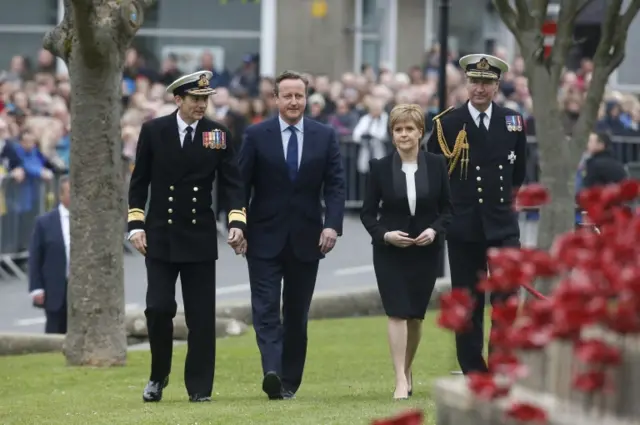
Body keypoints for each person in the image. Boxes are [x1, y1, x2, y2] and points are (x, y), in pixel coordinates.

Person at [127, 70, 247, 403]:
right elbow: (139, 184)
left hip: (198, 235)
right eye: (195, 99)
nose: (201, 105)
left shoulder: (217, 134)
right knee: (158, 308)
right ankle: (157, 375)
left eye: (205, 99)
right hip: (161, 235)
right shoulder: (154, 131)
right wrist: (135, 226)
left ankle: (199, 387)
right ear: (178, 99)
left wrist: (237, 220)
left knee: (201, 316)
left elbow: (233, 183)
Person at [238, 70, 345, 400]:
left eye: (299, 95)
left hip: (307, 238)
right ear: (275, 99)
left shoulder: (324, 136)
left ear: (307, 98)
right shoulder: (256, 135)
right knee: (266, 309)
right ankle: (272, 370)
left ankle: (290, 379)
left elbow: (337, 184)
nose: (294, 101)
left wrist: (332, 225)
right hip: (263, 237)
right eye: (288, 95)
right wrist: (237, 225)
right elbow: (239, 185)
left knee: (296, 314)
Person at [427, 54, 527, 375]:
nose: (479, 88)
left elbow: (519, 173)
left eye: (486, 82)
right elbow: (434, 176)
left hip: (502, 225)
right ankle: (473, 368)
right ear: (466, 83)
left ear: (497, 86)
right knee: (468, 302)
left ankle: (501, 364)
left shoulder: (512, 121)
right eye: (474, 81)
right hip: (464, 227)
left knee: (505, 299)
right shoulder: (447, 123)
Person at [360, 104, 452, 400]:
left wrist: (434, 230)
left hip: (425, 251)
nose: (404, 135)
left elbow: (448, 210)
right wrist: (385, 235)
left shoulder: (437, 164)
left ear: (420, 132)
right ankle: (400, 378)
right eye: (398, 129)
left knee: (415, 316)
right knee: (397, 312)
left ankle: (408, 368)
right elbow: (368, 214)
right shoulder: (379, 167)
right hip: (390, 252)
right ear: (391, 134)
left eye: (409, 129)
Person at [28, 176, 70, 334]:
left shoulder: (86, 220)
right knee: (55, 330)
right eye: (70, 192)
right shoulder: (45, 223)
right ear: (61, 195)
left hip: (79, 287)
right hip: (55, 288)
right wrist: (36, 287)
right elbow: (35, 256)